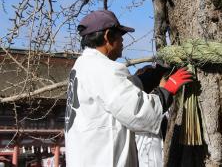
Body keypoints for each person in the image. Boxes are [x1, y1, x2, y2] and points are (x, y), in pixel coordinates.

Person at [64, 10, 192, 167]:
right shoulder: (103, 69)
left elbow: (125, 90)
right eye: (120, 36)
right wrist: (168, 89)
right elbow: (140, 113)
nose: (123, 41)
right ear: (108, 36)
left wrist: (155, 73)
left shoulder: (84, 66)